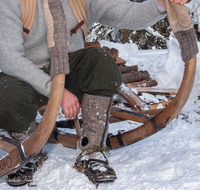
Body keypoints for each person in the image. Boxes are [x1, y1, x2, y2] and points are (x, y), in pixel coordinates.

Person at [0, 0, 188, 186]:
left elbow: (126, 13)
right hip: (25, 74)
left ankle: (92, 149)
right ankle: (27, 147)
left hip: (69, 68)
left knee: (101, 62)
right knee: (6, 93)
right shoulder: (11, 3)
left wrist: (160, 4)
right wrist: (57, 91)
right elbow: (10, 59)